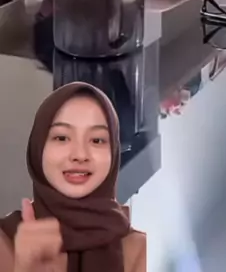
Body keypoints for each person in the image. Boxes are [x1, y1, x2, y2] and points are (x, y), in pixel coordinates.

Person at [0, 82, 145, 272]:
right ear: (38, 148)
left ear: (114, 153)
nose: (80, 155)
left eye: (97, 140)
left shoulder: (140, 249)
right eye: (61, 138)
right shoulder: (5, 241)